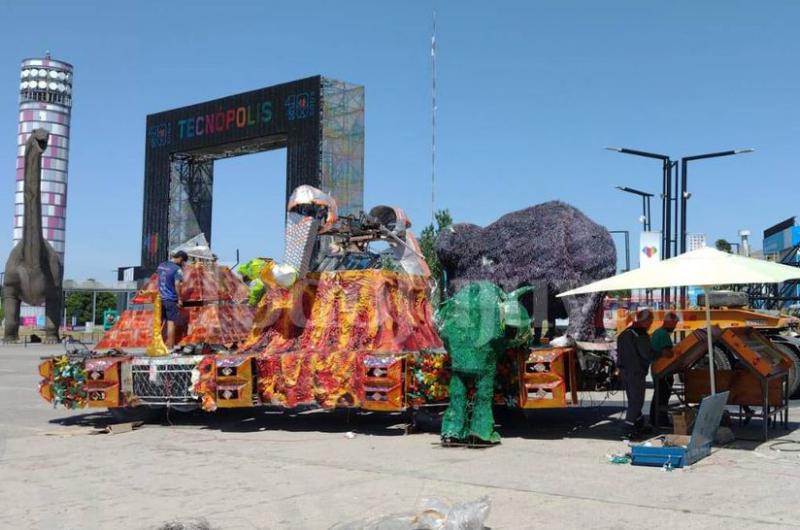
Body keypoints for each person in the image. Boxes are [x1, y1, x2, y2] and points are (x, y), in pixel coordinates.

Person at [616, 308, 655, 439]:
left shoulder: (623, 334)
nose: (650, 325)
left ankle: (639, 424)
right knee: (636, 401)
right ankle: (628, 429)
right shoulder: (641, 335)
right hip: (636, 372)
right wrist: (660, 354)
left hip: (624, 372)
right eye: (650, 321)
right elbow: (646, 354)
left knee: (633, 399)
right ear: (644, 321)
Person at [649, 311, 679, 427]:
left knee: (659, 395)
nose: (675, 326)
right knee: (662, 396)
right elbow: (667, 353)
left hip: (658, 368)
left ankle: (657, 420)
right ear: (668, 322)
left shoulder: (658, 333)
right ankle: (659, 421)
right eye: (674, 324)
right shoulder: (662, 334)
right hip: (662, 369)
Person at [157, 250, 188, 348]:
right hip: (170, 299)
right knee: (171, 322)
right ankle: (170, 346)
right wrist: (179, 299)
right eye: (183, 262)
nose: (183, 264)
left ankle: (158, 345)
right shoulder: (177, 269)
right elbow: (177, 284)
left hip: (159, 298)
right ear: (180, 259)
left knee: (160, 322)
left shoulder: (161, 265)